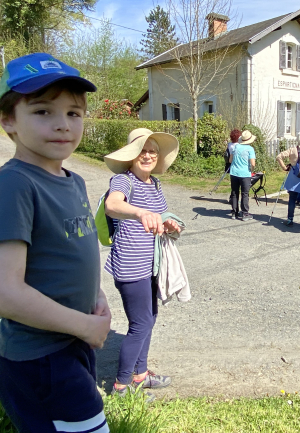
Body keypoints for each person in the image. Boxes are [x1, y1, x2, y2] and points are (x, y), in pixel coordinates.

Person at [0, 53, 111, 432]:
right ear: (7, 120)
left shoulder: (76, 180)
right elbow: (2, 294)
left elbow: (73, 246)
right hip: (39, 358)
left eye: (73, 113)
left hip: (70, 343)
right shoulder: (14, 184)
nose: (62, 125)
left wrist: (95, 297)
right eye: (42, 112)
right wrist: (84, 327)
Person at [102, 127, 181, 399]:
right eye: (142, 151)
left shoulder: (155, 184)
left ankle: (141, 375)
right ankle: (121, 387)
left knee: (150, 318)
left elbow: (159, 219)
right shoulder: (124, 181)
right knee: (140, 324)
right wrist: (139, 212)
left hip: (151, 263)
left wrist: (169, 225)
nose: (148, 156)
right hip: (129, 264)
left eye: (153, 151)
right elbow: (112, 205)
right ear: (132, 155)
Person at [229, 130, 257, 221]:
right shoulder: (250, 149)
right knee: (245, 193)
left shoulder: (236, 147)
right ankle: (245, 213)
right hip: (245, 173)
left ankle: (234, 212)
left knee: (234, 192)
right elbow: (253, 163)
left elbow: (230, 160)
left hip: (234, 172)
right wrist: (251, 170)